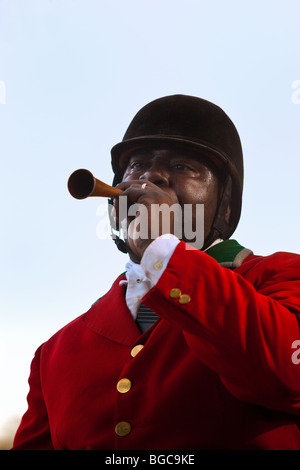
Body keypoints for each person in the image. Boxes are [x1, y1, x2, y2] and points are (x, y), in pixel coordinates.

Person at [12, 95, 300, 450]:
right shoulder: (53, 353)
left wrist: (160, 247)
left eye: (181, 166)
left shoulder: (283, 277)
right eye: (137, 166)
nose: (150, 177)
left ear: (224, 204)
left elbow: (287, 376)